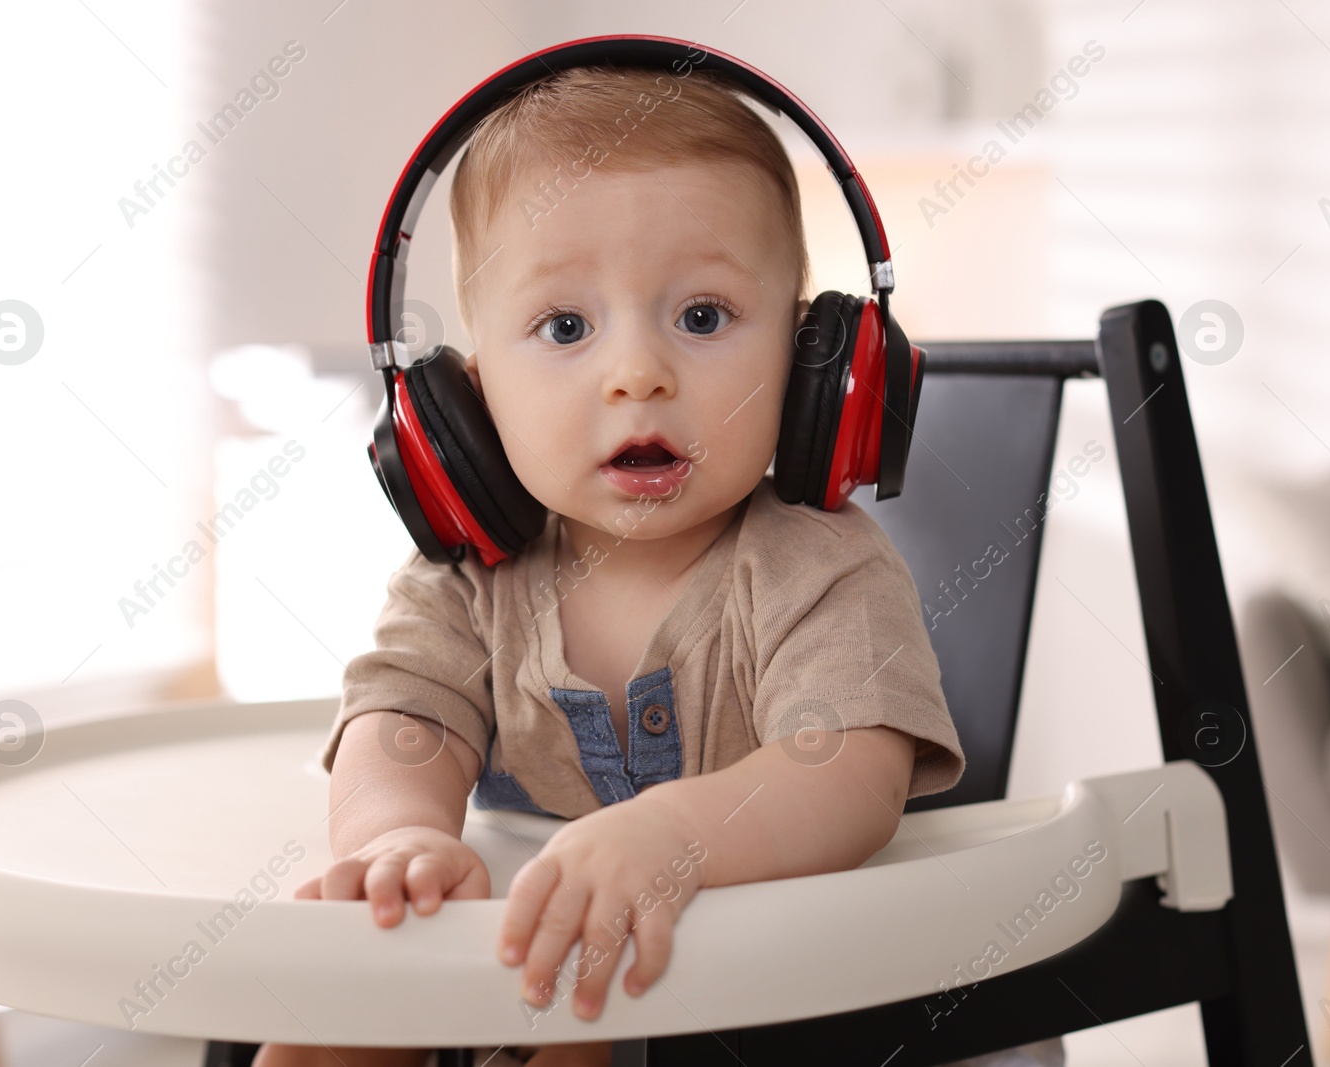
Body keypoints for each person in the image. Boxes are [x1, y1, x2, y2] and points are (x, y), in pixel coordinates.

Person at [255, 64, 1052, 1067]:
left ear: (814, 362)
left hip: (778, 1008)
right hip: (525, 967)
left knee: (594, 995)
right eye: (565, 327)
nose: (638, 373)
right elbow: (404, 719)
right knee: (338, 995)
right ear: (463, 397)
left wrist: (675, 835)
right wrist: (393, 838)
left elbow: (852, 772)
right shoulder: (466, 579)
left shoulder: (817, 569)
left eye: (703, 316)